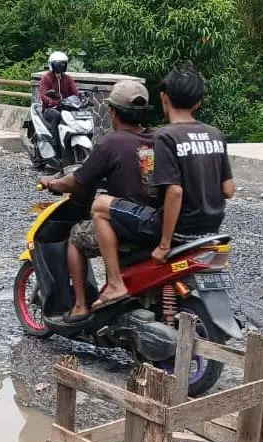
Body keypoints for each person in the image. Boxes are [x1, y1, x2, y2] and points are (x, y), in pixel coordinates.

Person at [91, 65, 235, 309]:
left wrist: (164, 245)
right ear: (198, 102)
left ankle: (115, 283)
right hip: (210, 231)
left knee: (99, 206)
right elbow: (228, 190)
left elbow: (174, 192)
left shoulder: (166, 136)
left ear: (163, 98)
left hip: (177, 231)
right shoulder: (215, 134)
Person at [38, 80, 154, 324]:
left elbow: (77, 181)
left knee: (76, 236)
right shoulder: (155, 139)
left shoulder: (111, 143)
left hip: (125, 222)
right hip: (154, 221)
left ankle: (80, 306)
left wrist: (51, 183)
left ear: (112, 112)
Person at [38, 51, 79, 148]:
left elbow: (75, 92)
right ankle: (55, 144)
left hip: (64, 107)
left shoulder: (67, 78)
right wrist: (52, 102)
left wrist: (79, 99)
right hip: (49, 109)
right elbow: (43, 95)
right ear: (52, 64)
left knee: (76, 115)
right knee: (56, 115)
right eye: (58, 64)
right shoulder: (46, 78)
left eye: (63, 64)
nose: (60, 66)